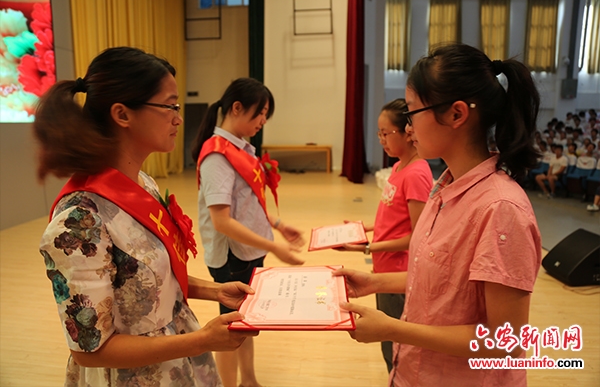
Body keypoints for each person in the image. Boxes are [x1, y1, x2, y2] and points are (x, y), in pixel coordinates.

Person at [34, 47, 259, 387]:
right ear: (122, 114)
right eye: (170, 106)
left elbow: (146, 280)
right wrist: (202, 340)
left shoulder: (143, 184)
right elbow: (90, 350)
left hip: (177, 353)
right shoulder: (79, 221)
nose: (178, 119)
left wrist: (216, 291)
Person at [334, 43, 542, 387]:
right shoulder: (445, 187)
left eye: (412, 112)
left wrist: (392, 328)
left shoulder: (501, 210)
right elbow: (442, 283)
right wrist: (374, 282)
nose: (409, 128)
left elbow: (505, 341)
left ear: (457, 115)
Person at [191, 77, 305, 387]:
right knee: (231, 329)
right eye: (260, 113)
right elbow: (222, 221)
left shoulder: (240, 148)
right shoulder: (217, 156)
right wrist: (275, 246)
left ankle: (249, 381)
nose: (263, 121)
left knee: (246, 320)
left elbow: (249, 202)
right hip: (233, 256)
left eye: (266, 114)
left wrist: (278, 226)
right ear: (237, 108)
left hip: (249, 250)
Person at [336, 99, 432, 373]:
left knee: (396, 344)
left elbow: (416, 236)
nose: (381, 140)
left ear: (408, 132)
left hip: (398, 271)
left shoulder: (416, 173)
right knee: (388, 342)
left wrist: (366, 248)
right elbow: (393, 216)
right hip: (384, 265)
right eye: (378, 134)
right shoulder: (400, 166)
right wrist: (362, 228)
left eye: (386, 133)